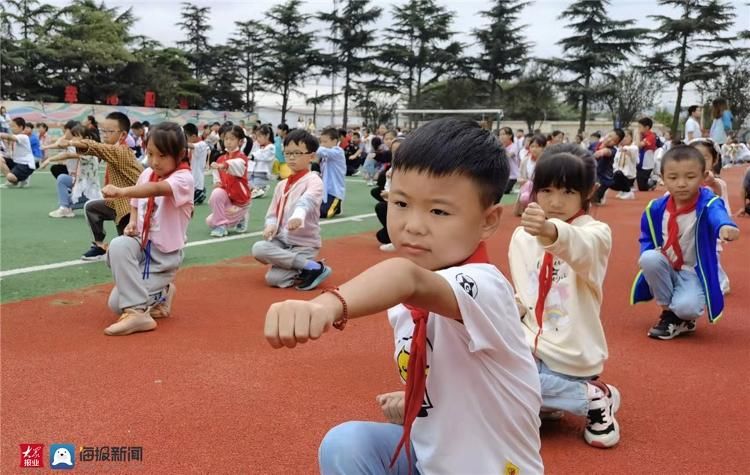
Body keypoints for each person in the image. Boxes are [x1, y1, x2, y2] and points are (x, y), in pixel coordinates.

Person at [264, 118, 544, 474]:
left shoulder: (485, 286)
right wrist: (421, 397)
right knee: (347, 444)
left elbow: (405, 277)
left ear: (488, 221)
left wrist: (326, 304)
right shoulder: (406, 301)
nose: (412, 224)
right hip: (433, 458)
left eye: (438, 211)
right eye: (400, 203)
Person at [509, 143, 619, 449]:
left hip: (570, 354)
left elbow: (576, 245)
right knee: (484, 366)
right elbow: (526, 292)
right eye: (546, 191)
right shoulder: (521, 236)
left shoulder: (596, 233)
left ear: (589, 191)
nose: (555, 202)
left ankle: (593, 398)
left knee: (509, 384)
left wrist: (548, 231)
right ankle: (549, 400)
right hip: (532, 345)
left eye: (568, 192)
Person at [631, 145, 739, 340]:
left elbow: (718, 215)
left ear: (703, 176)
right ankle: (669, 313)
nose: (681, 184)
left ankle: (682, 316)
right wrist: (648, 256)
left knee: (687, 308)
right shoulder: (655, 208)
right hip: (668, 265)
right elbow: (646, 237)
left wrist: (724, 226)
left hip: (693, 271)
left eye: (690, 177)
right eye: (673, 178)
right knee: (648, 258)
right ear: (662, 178)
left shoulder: (708, 203)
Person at [99, 122, 194, 336]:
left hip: (162, 258)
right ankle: (139, 310)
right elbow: (137, 201)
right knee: (119, 245)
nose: (155, 162)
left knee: (116, 304)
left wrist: (121, 191)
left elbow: (156, 189)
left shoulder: (183, 179)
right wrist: (133, 221)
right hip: (142, 246)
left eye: (162, 156)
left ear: (179, 154)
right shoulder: (147, 174)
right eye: (150, 154)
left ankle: (153, 298)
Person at [251, 129, 331, 291]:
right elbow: (273, 212)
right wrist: (271, 225)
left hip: (303, 244)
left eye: (297, 153)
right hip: (281, 241)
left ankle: (310, 266)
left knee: (274, 279)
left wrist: (298, 217)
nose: (292, 157)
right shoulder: (281, 185)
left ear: (312, 156)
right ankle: (311, 266)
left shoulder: (314, 180)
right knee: (259, 249)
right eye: (288, 153)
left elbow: (306, 201)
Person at [61, 112, 143, 261]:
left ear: (123, 135)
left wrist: (71, 143)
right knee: (91, 207)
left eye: (109, 132)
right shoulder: (114, 149)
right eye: (103, 131)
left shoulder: (121, 151)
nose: (105, 135)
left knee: (129, 251)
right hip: (116, 201)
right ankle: (99, 246)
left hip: (130, 205)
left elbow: (95, 147)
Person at [691, 139, 731, 294]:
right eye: (694, 156)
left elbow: (719, 198)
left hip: (707, 229)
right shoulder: (685, 180)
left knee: (710, 256)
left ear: (714, 161)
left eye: (705, 157)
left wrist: (712, 183)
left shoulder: (717, 183)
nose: (699, 161)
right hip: (688, 227)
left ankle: (721, 281)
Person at [41, 125, 102, 218]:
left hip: (90, 191)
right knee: (65, 197)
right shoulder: (81, 149)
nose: (74, 139)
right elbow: (62, 147)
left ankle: (69, 208)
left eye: (77, 136)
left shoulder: (90, 150)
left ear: (86, 138)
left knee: (63, 181)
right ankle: (65, 208)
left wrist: (49, 159)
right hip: (80, 186)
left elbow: (67, 155)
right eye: (73, 135)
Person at [206, 125, 251, 237]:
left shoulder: (241, 157)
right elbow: (217, 175)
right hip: (228, 198)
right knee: (210, 221)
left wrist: (223, 165)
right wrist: (217, 183)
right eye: (226, 139)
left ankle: (242, 216)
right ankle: (221, 225)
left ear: (240, 142)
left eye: (232, 139)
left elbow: (237, 165)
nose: (228, 142)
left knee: (213, 220)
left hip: (240, 201)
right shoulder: (221, 158)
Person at [317, 127, 347, 218]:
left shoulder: (338, 151)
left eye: (325, 142)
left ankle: (337, 205)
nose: (322, 144)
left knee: (323, 213)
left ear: (334, 141)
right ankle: (334, 206)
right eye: (321, 142)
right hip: (324, 190)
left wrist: (311, 146)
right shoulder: (325, 155)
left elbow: (319, 151)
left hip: (334, 191)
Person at [514, 134, 547, 216]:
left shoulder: (547, 161)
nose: (534, 149)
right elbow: (520, 176)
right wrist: (524, 181)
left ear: (544, 148)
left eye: (538, 146)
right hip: (527, 188)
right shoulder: (525, 160)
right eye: (532, 146)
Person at [592, 129, 625, 205]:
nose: (609, 139)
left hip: (604, 179)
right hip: (593, 175)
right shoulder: (595, 144)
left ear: (616, 143)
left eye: (613, 140)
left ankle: (600, 194)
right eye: (609, 136)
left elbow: (605, 152)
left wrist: (601, 152)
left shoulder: (612, 150)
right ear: (606, 134)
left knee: (594, 201)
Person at [0, 117, 36, 188]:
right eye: (11, 126)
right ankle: (16, 180)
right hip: (17, 163)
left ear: (21, 127)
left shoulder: (23, 137)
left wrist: (1, 135)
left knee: (10, 177)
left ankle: (16, 180)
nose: (11, 128)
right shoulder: (16, 137)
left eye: (13, 126)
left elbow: (8, 136)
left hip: (26, 165)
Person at [183, 123, 209, 204]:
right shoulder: (193, 144)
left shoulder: (202, 144)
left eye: (185, 137)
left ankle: (200, 192)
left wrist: (176, 141)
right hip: (190, 180)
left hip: (197, 184)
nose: (184, 139)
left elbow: (189, 145)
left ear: (193, 136)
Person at [249, 124, 275, 199]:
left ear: (267, 136)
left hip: (263, 173)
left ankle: (259, 189)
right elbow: (255, 153)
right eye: (257, 136)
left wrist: (252, 157)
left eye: (260, 136)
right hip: (255, 173)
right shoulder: (259, 146)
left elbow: (264, 156)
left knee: (249, 192)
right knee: (246, 184)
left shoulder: (271, 147)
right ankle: (262, 187)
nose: (257, 139)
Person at [612, 129, 638, 200]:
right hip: (619, 174)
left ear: (631, 138)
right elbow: (615, 162)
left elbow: (630, 151)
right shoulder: (618, 150)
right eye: (622, 137)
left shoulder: (634, 148)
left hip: (628, 176)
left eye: (626, 136)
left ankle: (628, 191)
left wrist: (624, 149)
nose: (624, 139)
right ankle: (623, 190)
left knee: (619, 173)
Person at [636, 117, 658, 191]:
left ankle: (652, 183)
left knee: (642, 187)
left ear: (647, 127)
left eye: (640, 127)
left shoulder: (651, 136)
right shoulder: (643, 136)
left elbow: (639, 145)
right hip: (640, 162)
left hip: (647, 163)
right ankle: (650, 182)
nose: (638, 129)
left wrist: (638, 135)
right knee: (640, 184)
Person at [499, 126, 519, 194]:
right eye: (500, 134)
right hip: (503, 176)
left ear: (510, 135)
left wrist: (502, 147)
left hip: (512, 176)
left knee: (504, 191)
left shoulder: (514, 146)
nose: (501, 136)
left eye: (503, 134)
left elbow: (509, 156)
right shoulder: (499, 146)